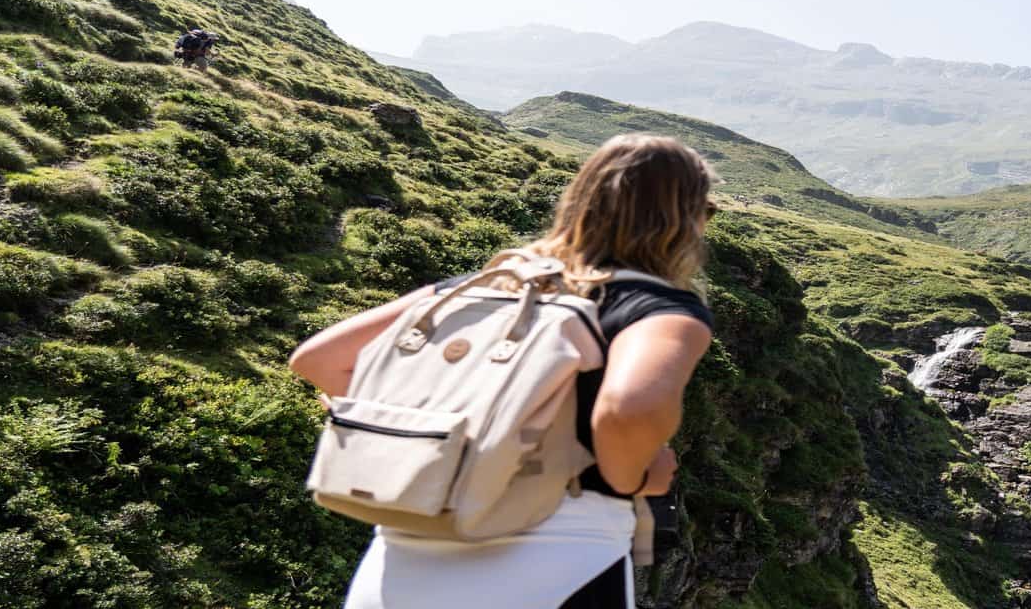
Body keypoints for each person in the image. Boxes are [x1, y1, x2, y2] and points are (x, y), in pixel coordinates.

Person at [289, 134, 720, 609]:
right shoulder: (657, 309)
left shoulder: (483, 287)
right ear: (684, 219)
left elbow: (320, 360)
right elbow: (628, 409)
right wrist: (635, 477)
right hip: (556, 563)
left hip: (397, 565)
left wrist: (451, 435)